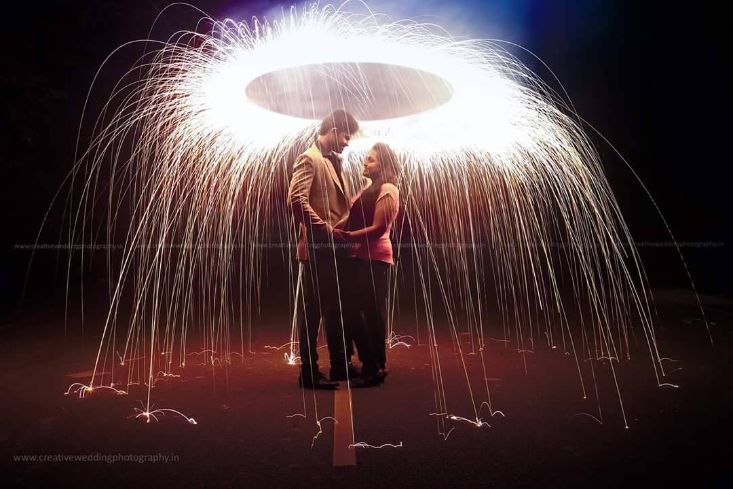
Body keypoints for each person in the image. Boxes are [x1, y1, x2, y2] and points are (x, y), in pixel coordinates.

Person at [287, 109, 359, 389]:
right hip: (319, 248)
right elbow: (296, 200)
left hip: (330, 249)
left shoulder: (331, 161)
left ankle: (335, 367)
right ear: (333, 130)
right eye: (345, 135)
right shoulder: (310, 158)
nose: (347, 142)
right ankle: (311, 371)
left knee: (327, 308)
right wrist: (325, 229)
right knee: (317, 310)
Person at [342, 142, 401, 386]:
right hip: (362, 257)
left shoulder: (388, 188)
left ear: (384, 165)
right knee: (368, 312)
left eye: (371, 160)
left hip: (374, 258)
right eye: (366, 158)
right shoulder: (371, 187)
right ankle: (376, 364)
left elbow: (378, 229)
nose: (365, 163)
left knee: (363, 312)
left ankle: (373, 367)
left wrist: (345, 237)